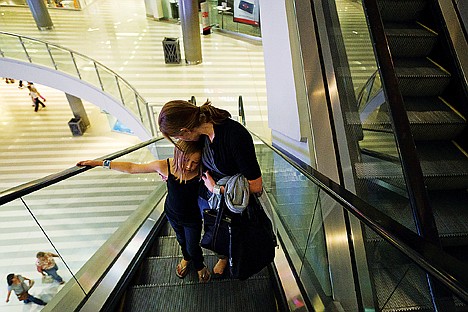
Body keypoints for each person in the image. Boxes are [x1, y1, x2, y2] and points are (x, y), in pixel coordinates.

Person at [76, 140, 211, 282]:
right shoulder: (166, 166)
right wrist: (99, 163)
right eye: (185, 160)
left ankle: (199, 265)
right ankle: (186, 258)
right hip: (171, 213)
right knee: (180, 239)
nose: (189, 166)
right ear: (177, 155)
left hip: (191, 218)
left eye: (195, 162)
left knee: (193, 245)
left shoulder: (201, 170)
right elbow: (132, 167)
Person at [158, 99, 263, 277]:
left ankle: (230, 258)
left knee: (230, 235)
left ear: (185, 131)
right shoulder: (203, 134)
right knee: (215, 232)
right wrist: (175, 174)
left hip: (229, 201)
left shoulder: (234, 136)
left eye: (177, 137)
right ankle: (222, 256)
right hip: (208, 200)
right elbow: (196, 161)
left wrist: (216, 189)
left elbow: (256, 186)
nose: (179, 141)